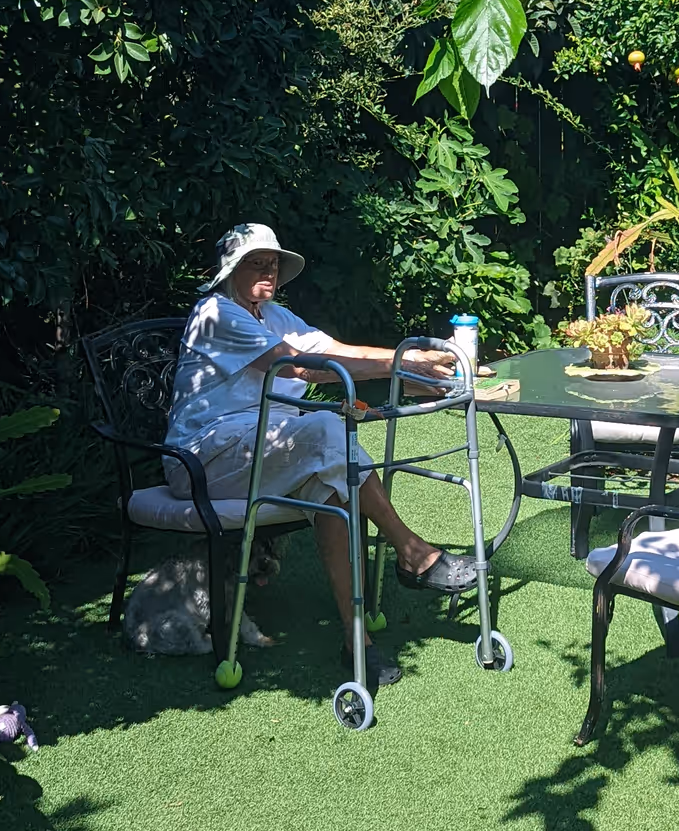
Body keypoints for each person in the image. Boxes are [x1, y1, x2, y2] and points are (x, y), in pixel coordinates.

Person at [166, 223, 484, 683]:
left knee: (332, 490)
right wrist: (406, 363)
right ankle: (412, 552)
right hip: (201, 461)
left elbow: (333, 349)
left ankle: (358, 642)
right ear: (231, 270)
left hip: (257, 451)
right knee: (325, 426)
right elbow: (299, 367)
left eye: (273, 264)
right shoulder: (215, 312)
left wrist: (409, 358)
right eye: (257, 263)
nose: (269, 272)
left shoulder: (272, 314)